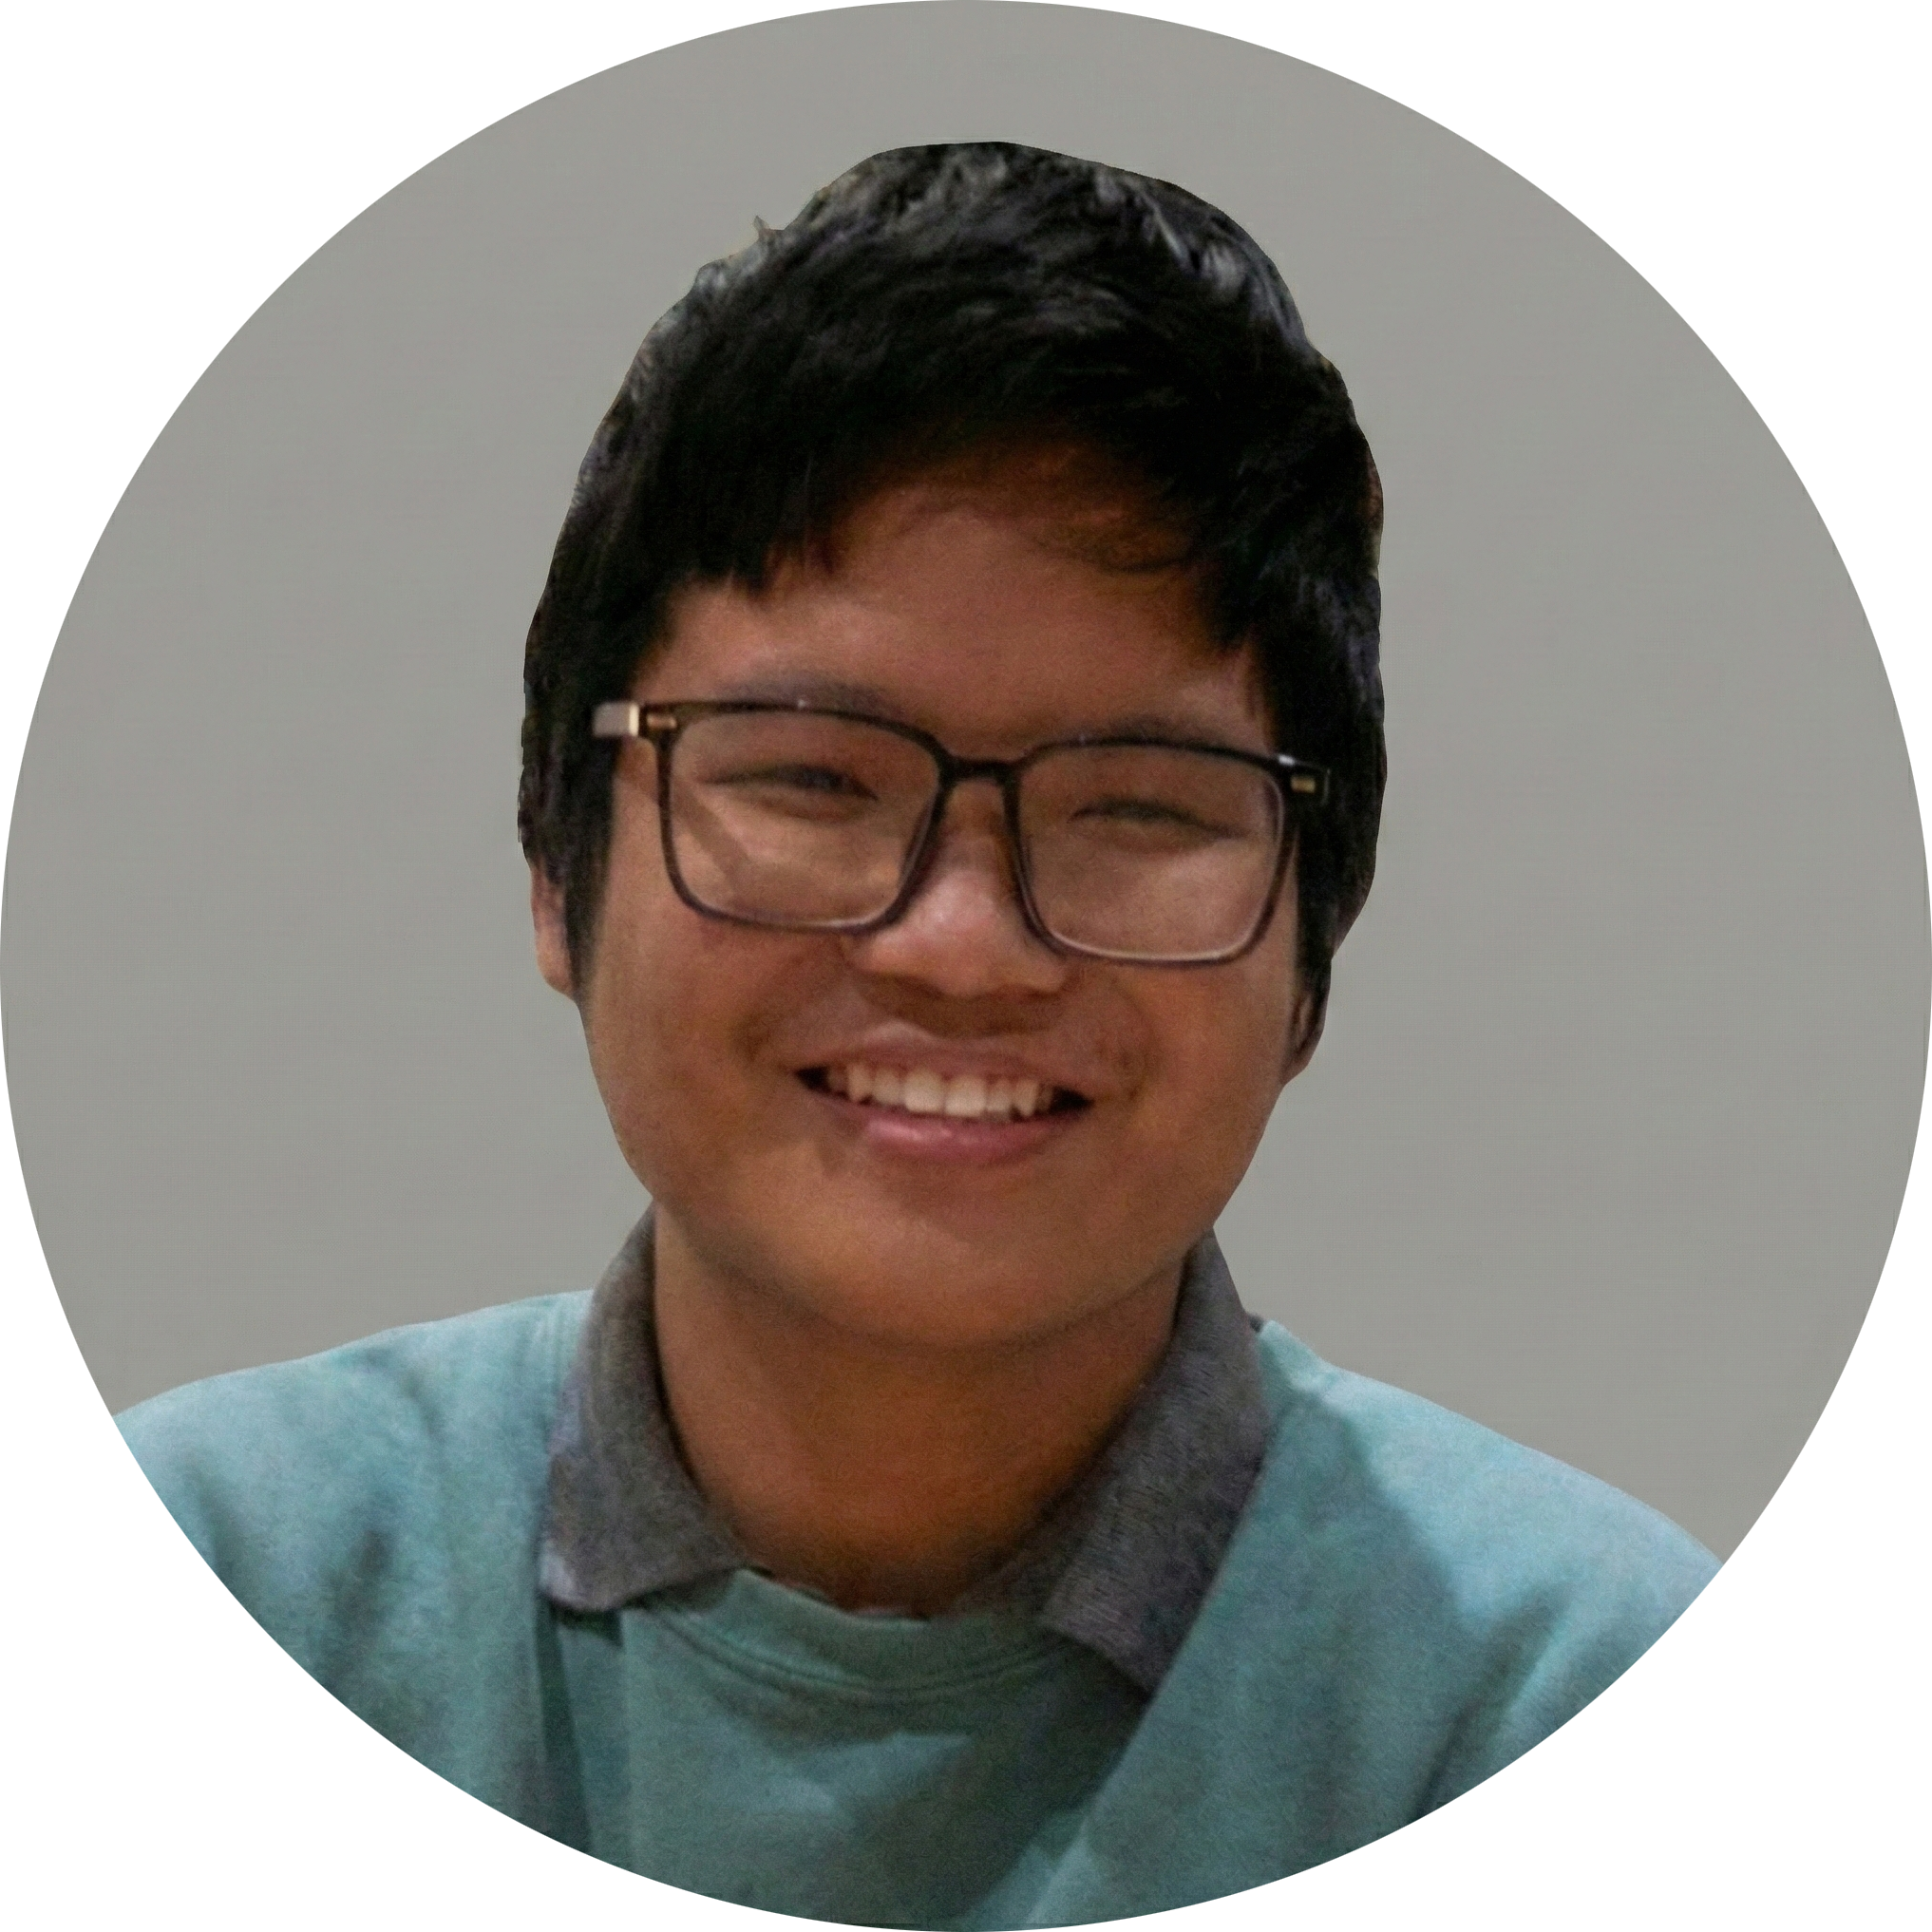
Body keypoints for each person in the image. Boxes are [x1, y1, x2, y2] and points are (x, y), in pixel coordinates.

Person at [117, 142, 1716, 1918]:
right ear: (557, 873)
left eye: (1139, 805)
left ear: (1309, 953)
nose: (963, 944)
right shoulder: (244, 1560)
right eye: (811, 778)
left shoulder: (1543, 1680)